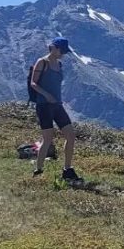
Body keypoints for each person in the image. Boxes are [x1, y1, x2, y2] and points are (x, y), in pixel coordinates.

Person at [29, 37, 82, 182]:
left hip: (57, 105)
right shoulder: (42, 62)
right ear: (54, 48)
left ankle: (67, 169)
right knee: (47, 139)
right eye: (62, 51)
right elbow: (33, 83)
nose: (63, 54)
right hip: (44, 105)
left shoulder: (59, 64)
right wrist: (46, 95)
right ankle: (38, 170)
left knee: (70, 135)